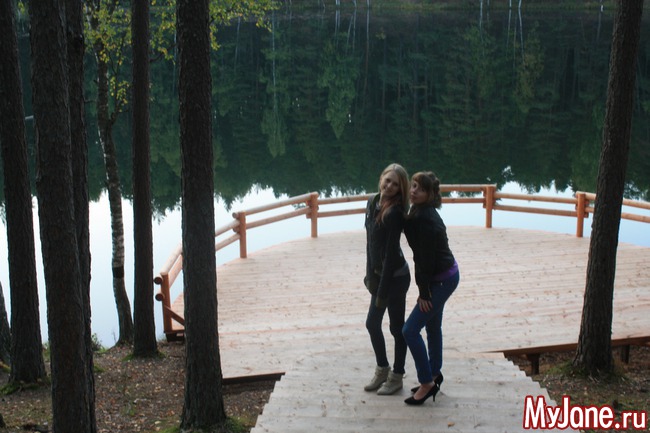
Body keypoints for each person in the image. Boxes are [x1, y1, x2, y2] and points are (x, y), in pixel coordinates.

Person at [402, 171, 459, 406]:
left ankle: (426, 382)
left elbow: (423, 260)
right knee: (433, 326)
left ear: (430, 194)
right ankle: (434, 374)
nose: (414, 191)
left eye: (421, 189)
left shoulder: (424, 220)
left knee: (410, 330)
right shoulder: (420, 211)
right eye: (414, 185)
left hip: (442, 280)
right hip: (445, 275)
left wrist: (424, 293)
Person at [363, 163, 411, 396]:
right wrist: (369, 274)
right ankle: (382, 369)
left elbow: (391, 256)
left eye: (395, 184)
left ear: (401, 188)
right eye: (387, 180)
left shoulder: (394, 213)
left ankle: (397, 376)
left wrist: (381, 292)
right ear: (381, 178)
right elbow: (370, 243)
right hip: (380, 275)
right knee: (372, 324)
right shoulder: (372, 202)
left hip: (396, 278)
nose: (389, 186)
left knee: (396, 328)